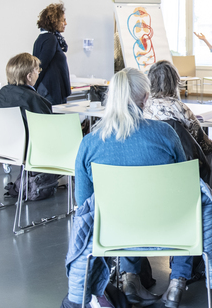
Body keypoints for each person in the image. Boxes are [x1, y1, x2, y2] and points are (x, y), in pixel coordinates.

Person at [73, 68, 190, 307]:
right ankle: (177, 281)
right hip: (168, 227)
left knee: (123, 207)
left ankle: (130, 279)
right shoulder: (165, 134)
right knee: (190, 206)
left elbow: (83, 201)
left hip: (114, 230)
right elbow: (185, 189)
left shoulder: (89, 143)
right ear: (146, 98)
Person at [143, 60, 212, 158]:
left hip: (150, 158)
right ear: (174, 81)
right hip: (180, 161)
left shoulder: (143, 105)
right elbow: (204, 144)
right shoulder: (178, 107)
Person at [0, 53, 52, 119]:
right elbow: (47, 124)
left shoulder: (3, 92)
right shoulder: (34, 98)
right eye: (37, 70)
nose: (39, 72)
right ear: (29, 76)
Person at [33, 2, 71, 105]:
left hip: (49, 90)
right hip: (51, 91)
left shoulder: (44, 38)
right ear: (55, 21)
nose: (66, 23)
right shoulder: (50, 39)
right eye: (63, 20)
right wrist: (33, 88)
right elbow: (41, 66)